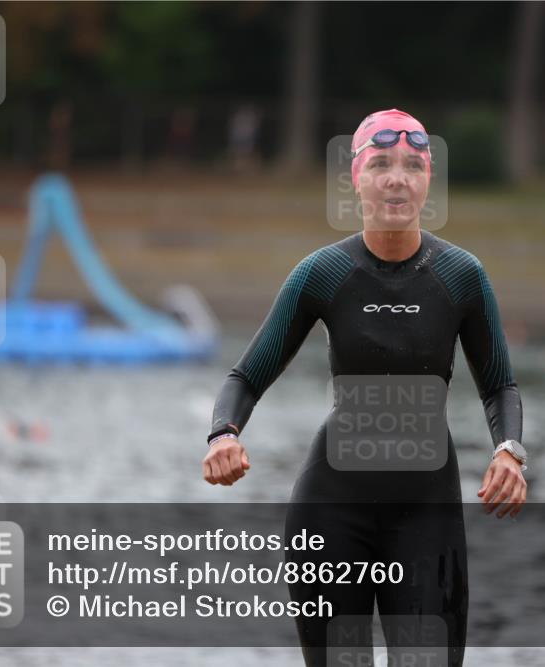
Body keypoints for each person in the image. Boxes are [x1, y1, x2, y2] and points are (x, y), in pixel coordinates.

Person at [204, 108, 526, 666]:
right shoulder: (323, 274)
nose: (396, 177)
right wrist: (222, 435)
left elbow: (499, 386)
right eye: (380, 163)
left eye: (411, 165)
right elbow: (244, 377)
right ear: (356, 179)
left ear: (428, 180)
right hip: (331, 512)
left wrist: (510, 452)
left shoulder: (462, 277)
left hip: (427, 514)